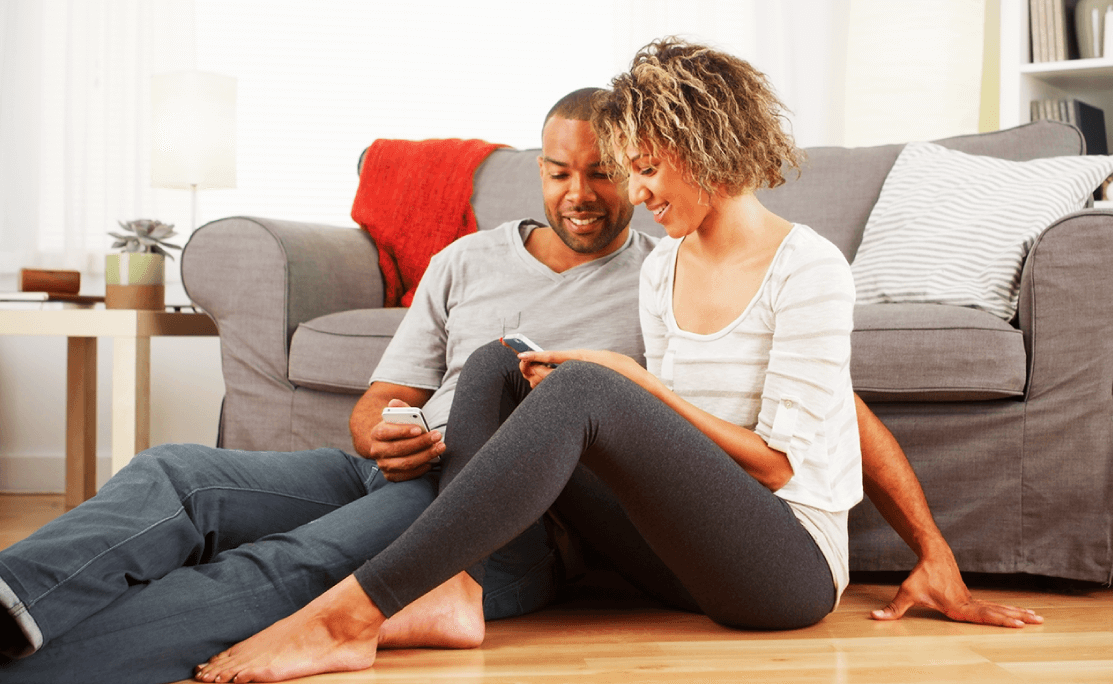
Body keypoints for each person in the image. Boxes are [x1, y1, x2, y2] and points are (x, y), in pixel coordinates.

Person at [193, 38, 1039, 684]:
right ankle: (457, 589)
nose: (634, 195)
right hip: (677, 559)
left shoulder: (808, 266)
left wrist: (631, 385)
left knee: (595, 382)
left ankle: (351, 615)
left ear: (702, 145)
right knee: (502, 363)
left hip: (781, 573)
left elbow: (786, 464)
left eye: (644, 168)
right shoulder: (665, 264)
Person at [0, 87, 653, 684]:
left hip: (502, 527)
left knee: (294, 561)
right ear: (540, 168)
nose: (579, 194)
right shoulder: (467, 259)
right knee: (175, 474)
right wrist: (385, 434)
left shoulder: (660, 280)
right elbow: (380, 402)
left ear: (635, 170)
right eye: (560, 171)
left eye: (600, 172)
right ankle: (15, 599)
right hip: (401, 470)